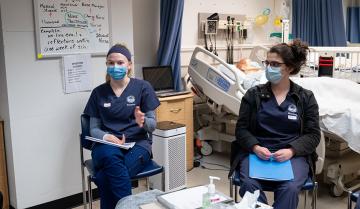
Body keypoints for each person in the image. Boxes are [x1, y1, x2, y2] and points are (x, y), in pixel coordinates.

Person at [230, 39, 320, 209]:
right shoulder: (253, 95)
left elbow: (313, 135)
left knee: (290, 187)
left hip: (292, 156)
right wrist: (255, 147)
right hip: (257, 154)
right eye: (267, 63)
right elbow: (241, 130)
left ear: (290, 68)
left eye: (275, 64)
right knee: (249, 186)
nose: (269, 68)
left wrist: (291, 151)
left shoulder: (305, 98)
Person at [84, 44, 160, 209]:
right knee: (111, 158)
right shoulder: (98, 93)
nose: (115, 67)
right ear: (106, 64)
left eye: (120, 63)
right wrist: (106, 137)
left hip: (137, 145)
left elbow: (152, 126)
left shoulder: (143, 88)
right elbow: (93, 129)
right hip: (106, 145)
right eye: (111, 63)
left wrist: (143, 121)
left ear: (129, 65)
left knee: (105, 177)